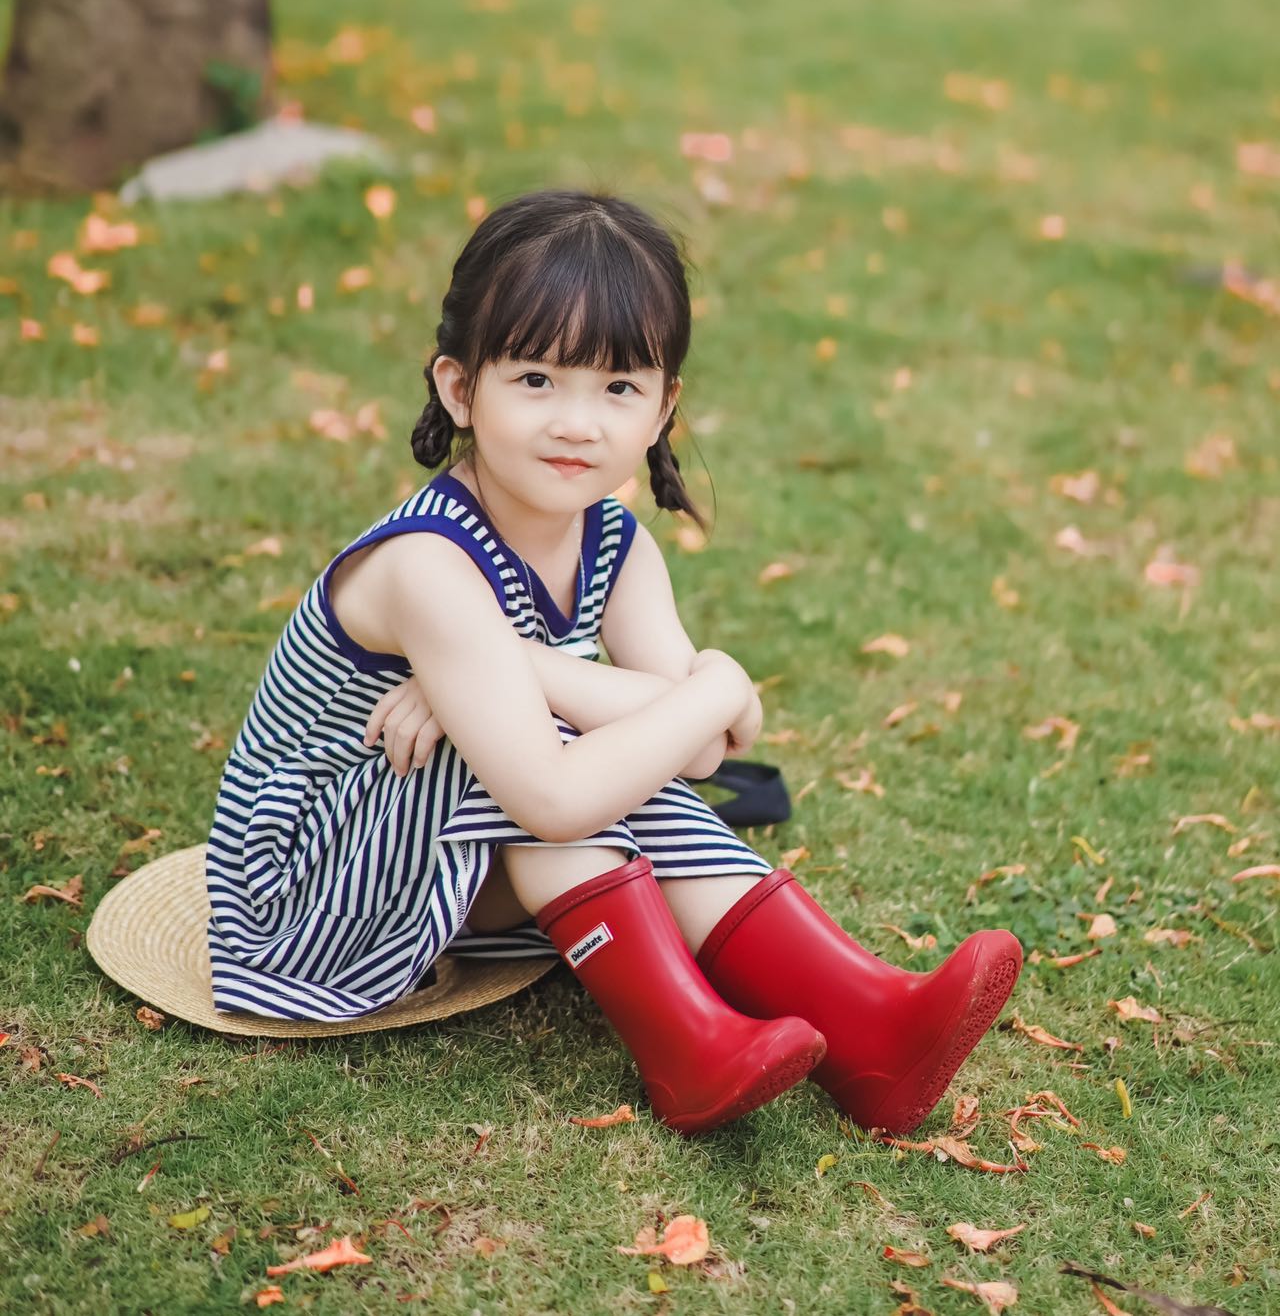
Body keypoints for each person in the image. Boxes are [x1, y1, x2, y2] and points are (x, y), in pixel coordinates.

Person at [205, 187, 1022, 1137]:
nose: (578, 423)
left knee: (607, 747)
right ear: (460, 388)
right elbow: (564, 795)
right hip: (310, 891)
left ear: (664, 406)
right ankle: (691, 1043)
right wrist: (716, 684)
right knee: (558, 759)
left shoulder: (615, 543)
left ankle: (872, 1029)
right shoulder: (427, 566)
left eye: (619, 388)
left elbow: (702, 752)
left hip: (440, 869)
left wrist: (530, 667)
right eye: (537, 380)